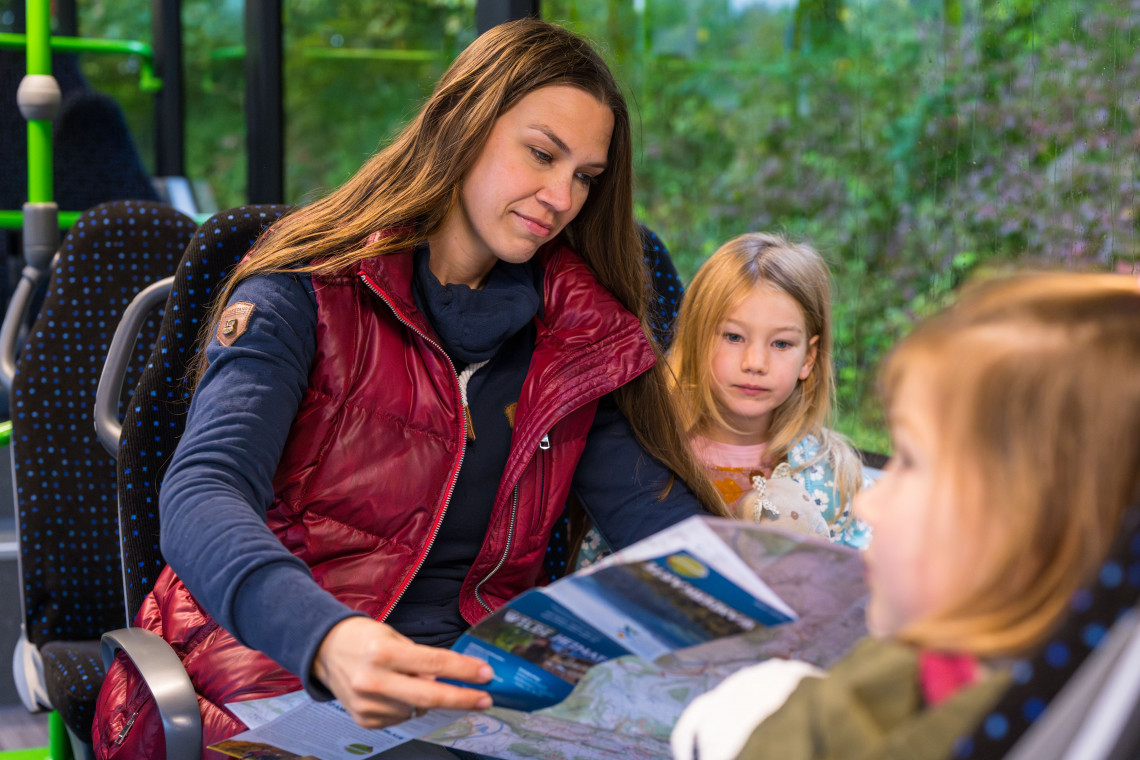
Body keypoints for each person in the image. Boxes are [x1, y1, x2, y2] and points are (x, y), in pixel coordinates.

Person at [93, 18, 720, 757]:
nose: (560, 196)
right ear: (461, 124)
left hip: (472, 690)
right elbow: (201, 493)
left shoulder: (578, 338)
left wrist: (791, 604)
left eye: (585, 176)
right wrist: (327, 640)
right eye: (542, 154)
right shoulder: (306, 289)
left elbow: (661, 530)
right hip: (268, 671)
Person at [671, 271, 1140, 760]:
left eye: (911, 462)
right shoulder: (934, 664)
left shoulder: (962, 725)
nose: (867, 503)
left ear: (1033, 526)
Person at [670, 233, 867, 545]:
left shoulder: (832, 477)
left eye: (781, 343)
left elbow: (853, 581)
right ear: (696, 340)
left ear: (809, 358)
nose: (755, 363)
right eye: (734, 337)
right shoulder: (653, 456)